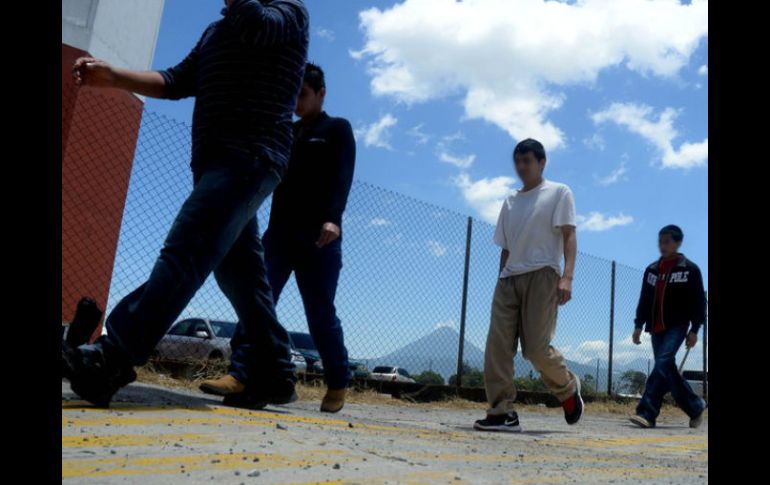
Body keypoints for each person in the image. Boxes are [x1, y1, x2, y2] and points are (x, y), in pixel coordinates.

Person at [62, 0, 310, 409]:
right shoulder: (216, 30)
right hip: (215, 162)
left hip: (251, 156)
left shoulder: (288, 13)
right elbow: (176, 80)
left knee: (186, 251)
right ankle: (273, 371)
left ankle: (113, 356)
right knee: (242, 277)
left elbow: (257, 26)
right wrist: (113, 76)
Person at [201, 63, 356, 413]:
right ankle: (240, 372)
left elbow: (344, 176)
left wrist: (333, 219)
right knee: (257, 299)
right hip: (280, 236)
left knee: (320, 315)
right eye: (292, 95)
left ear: (321, 94)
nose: (296, 101)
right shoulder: (285, 131)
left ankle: (338, 380)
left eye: (302, 94)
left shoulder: (337, 129)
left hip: (321, 238)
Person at [473, 138, 583, 433]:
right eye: (517, 161)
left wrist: (567, 276)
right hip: (508, 279)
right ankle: (501, 412)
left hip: (543, 275)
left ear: (542, 162)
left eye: (528, 161)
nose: (521, 167)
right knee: (497, 348)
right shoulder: (510, 201)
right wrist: (501, 278)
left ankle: (568, 388)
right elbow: (506, 247)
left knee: (535, 349)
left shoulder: (559, 192)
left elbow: (569, 236)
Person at [629, 224, 707, 429]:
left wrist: (694, 330)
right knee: (667, 370)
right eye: (660, 242)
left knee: (663, 362)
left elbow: (699, 302)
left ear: (678, 242)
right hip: (655, 327)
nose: (662, 246)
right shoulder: (652, 270)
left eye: (667, 242)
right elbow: (644, 299)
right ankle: (695, 406)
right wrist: (638, 325)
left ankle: (647, 412)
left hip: (678, 326)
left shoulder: (690, 270)